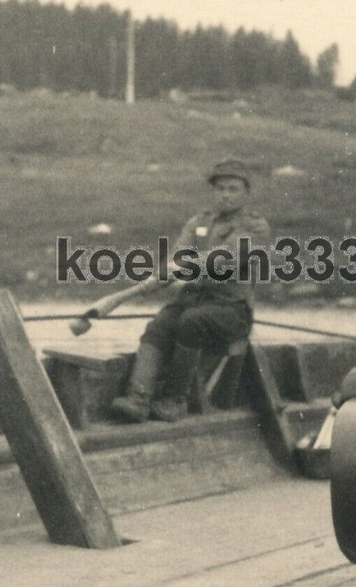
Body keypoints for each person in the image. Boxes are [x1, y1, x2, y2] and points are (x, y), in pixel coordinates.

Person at [109, 159, 271, 423]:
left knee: (191, 322)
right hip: (193, 300)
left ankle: (175, 400)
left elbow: (224, 259)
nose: (225, 195)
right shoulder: (199, 222)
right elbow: (178, 255)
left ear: (246, 193)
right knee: (159, 325)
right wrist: (162, 274)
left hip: (232, 310)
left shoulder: (255, 227)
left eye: (233, 189)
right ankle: (137, 400)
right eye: (220, 189)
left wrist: (183, 267)